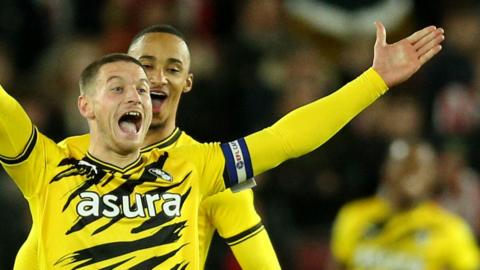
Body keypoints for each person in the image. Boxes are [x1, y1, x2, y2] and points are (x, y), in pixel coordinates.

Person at [1, 21, 444, 269]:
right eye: (133, 75)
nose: (150, 83)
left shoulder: (202, 165)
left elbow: (286, 138)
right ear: (86, 102)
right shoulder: (53, 162)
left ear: (188, 83)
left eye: (167, 70)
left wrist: (374, 81)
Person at [15, 25, 281, 270]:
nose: (158, 78)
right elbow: (38, 246)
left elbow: (261, 261)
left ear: (188, 82)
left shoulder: (208, 168)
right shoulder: (70, 155)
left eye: (173, 69)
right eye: (146, 67)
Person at [329, 139, 480, 270]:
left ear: (433, 176)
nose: (411, 173)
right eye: (404, 165)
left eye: (420, 166)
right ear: (386, 170)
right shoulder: (354, 215)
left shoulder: (451, 229)